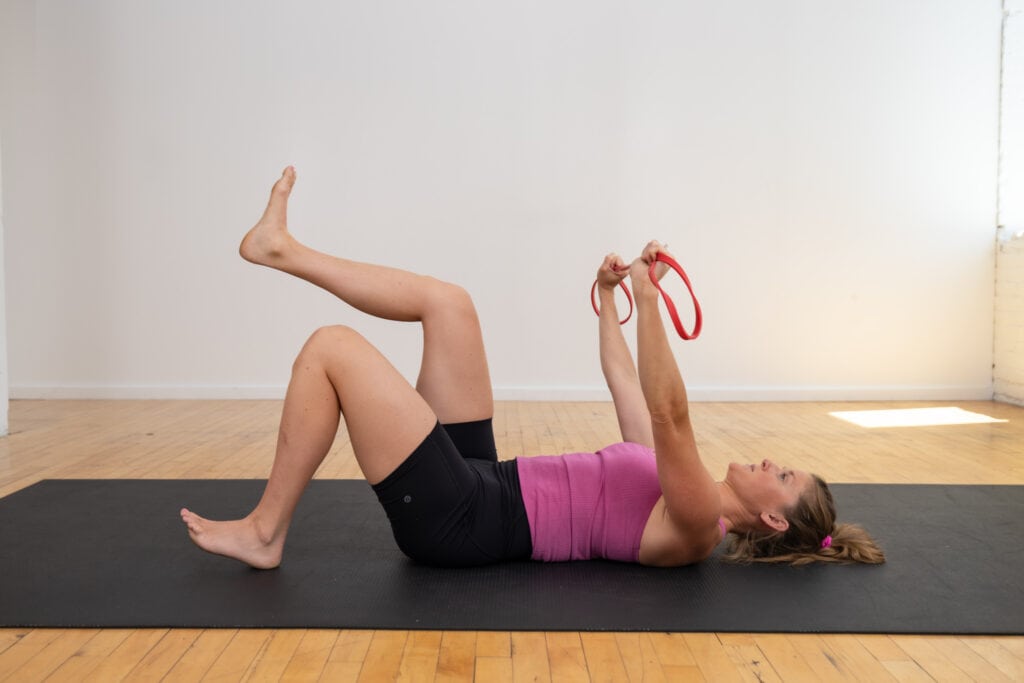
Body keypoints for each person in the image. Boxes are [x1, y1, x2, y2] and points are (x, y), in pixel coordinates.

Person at [180, 167, 885, 569]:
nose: (770, 461)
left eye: (783, 475)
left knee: (332, 347)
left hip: (464, 519)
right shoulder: (684, 487)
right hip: (483, 479)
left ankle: (266, 530)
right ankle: (282, 249)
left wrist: (649, 290)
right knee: (449, 304)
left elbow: (670, 414)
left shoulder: (700, 521)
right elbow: (628, 386)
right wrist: (612, 299)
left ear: (769, 516)